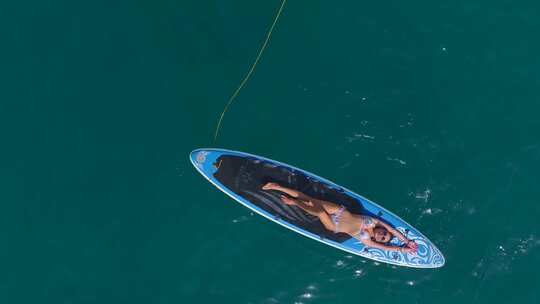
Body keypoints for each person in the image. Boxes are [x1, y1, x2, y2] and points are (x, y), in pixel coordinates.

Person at [262, 182, 418, 254]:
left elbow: (388, 248)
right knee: (310, 200)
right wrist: (407, 241)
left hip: (333, 225)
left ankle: (293, 202)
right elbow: (392, 229)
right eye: (384, 233)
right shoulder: (374, 222)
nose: (383, 235)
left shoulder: (368, 241)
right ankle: (278, 187)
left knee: (320, 212)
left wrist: (402, 249)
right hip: (340, 211)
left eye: (383, 238)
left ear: (378, 241)